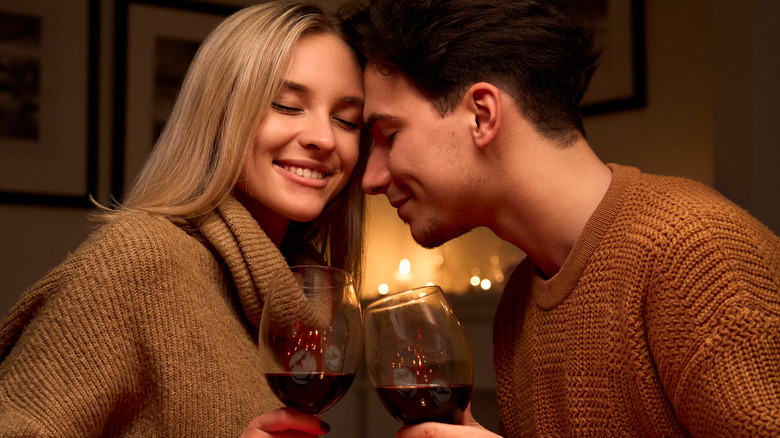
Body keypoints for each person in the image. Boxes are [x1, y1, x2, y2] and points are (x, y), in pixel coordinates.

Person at [339, 0, 780, 436]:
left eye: (388, 135)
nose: (371, 179)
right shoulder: (518, 300)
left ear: (482, 115)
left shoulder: (696, 252)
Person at [0, 1, 367, 436]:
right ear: (218, 116)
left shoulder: (303, 294)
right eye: (287, 105)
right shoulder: (138, 258)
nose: (324, 138)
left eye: (347, 120)